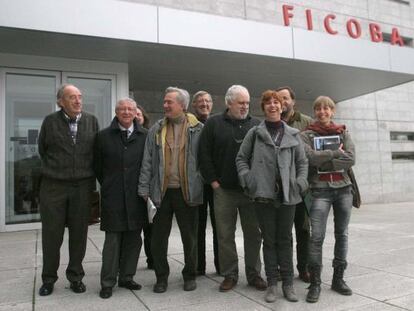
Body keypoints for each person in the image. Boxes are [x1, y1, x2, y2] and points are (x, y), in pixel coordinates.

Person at [236, 90, 308, 303]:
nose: (273, 106)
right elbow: (241, 158)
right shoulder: (254, 133)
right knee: (269, 240)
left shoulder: (293, 134)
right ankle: (272, 285)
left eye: (276, 102)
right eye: (268, 103)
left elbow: (303, 163)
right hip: (263, 195)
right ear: (264, 107)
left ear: (282, 106)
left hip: (288, 195)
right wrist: (248, 179)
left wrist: (300, 183)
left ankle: (288, 284)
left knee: (285, 239)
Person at [199, 85, 266, 292]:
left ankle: (254, 274)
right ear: (229, 103)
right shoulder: (213, 124)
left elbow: (264, 156)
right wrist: (214, 183)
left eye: (247, 103)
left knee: (253, 234)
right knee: (225, 235)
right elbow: (204, 154)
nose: (245, 106)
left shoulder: (257, 125)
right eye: (241, 103)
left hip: (250, 192)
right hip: (224, 191)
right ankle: (230, 274)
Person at [138, 86, 204, 293]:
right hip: (162, 192)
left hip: (188, 192)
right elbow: (147, 160)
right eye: (164, 102)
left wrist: (201, 181)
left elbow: (205, 160)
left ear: (182, 106)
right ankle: (161, 277)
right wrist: (144, 187)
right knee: (158, 238)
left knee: (190, 237)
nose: (165, 105)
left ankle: (190, 275)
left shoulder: (198, 129)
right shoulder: (156, 129)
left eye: (169, 102)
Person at [38, 84, 99, 296]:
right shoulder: (50, 121)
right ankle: (48, 279)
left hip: (82, 186)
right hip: (54, 185)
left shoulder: (91, 121)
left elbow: (95, 152)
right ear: (60, 102)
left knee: (79, 235)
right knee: (51, 235)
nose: (77, 101)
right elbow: (42, 149)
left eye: (80, 96)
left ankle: (76, 277)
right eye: (71, 97)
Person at [300, 96, 355, 303]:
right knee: (316, 237)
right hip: (319, 190)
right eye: (318, 109)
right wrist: (333, 153)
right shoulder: (306, 135)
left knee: (342, 234)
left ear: (332, 111)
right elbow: (310, 158)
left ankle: (338, 279)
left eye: (326, 108)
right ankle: (315, 283)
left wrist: (323, 158)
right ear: (315, 112)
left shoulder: (343, 132)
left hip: (344, 189)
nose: (322, 112)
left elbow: (351, 159)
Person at [94, 98, 148, 299]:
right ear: (116, 112)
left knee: (134, 239)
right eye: (122, 109)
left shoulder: (145, 136)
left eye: (130, 109)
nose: (126, 112)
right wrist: (110, 184)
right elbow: (98, 167)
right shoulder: (103, 136)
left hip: (136, 197)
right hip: (113, 195)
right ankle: (107, 282)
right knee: (113, 241)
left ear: (136, 113)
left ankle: (127, 277)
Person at [276, 86, 313, 283]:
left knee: (304, 230)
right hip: (281, 188)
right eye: (278, 99)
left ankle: (304, 268)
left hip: (303, 187)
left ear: (293, 101)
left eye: (285, 98)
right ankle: (285, 268)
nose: (282, 102)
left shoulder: (306, 122)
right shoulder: (273, 122)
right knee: (283, 231)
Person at [191, 90, 220, 275]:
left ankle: (221, 266)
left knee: (219, 226)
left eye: (208, 101)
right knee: (197, 225)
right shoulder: (189, 124)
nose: (204, 104)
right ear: (194, 105)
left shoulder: (217, 124)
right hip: (196, 182)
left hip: (215, 182)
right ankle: (198, 266)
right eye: (200, 101)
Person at [135, 104, 153, 270]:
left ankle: (151, 259)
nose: (135, 116)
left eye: (138, 114)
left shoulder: (151, 135)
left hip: (148, 188)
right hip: (131, 187)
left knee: (150, 229)